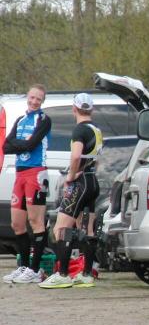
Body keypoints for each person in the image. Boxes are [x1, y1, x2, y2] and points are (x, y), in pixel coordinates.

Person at [39, 93, 103, 289]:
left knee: (61, 228)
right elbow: (95, 158)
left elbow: (76, 156)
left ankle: (63, 274)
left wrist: (70, 176)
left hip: (80, 183)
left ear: (74, 109)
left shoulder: (79, 130)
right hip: (92, 181)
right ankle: (87, 274)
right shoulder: (96, 130)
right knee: (88, 228)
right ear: (91, 110)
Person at [2, 84, 52, 284]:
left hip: (36, 173)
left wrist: (20, 144)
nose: (34, 101)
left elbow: (32, 144)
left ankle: (35, 269)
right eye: (32, 97)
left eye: (38, 99)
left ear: (42, 101)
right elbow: (6, 146)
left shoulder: (44, 119)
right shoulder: (21, 120)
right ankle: (23, 266)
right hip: (20, 174)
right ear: (27, 97)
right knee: (17, 224)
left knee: (36, 221)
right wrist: (22, 145)